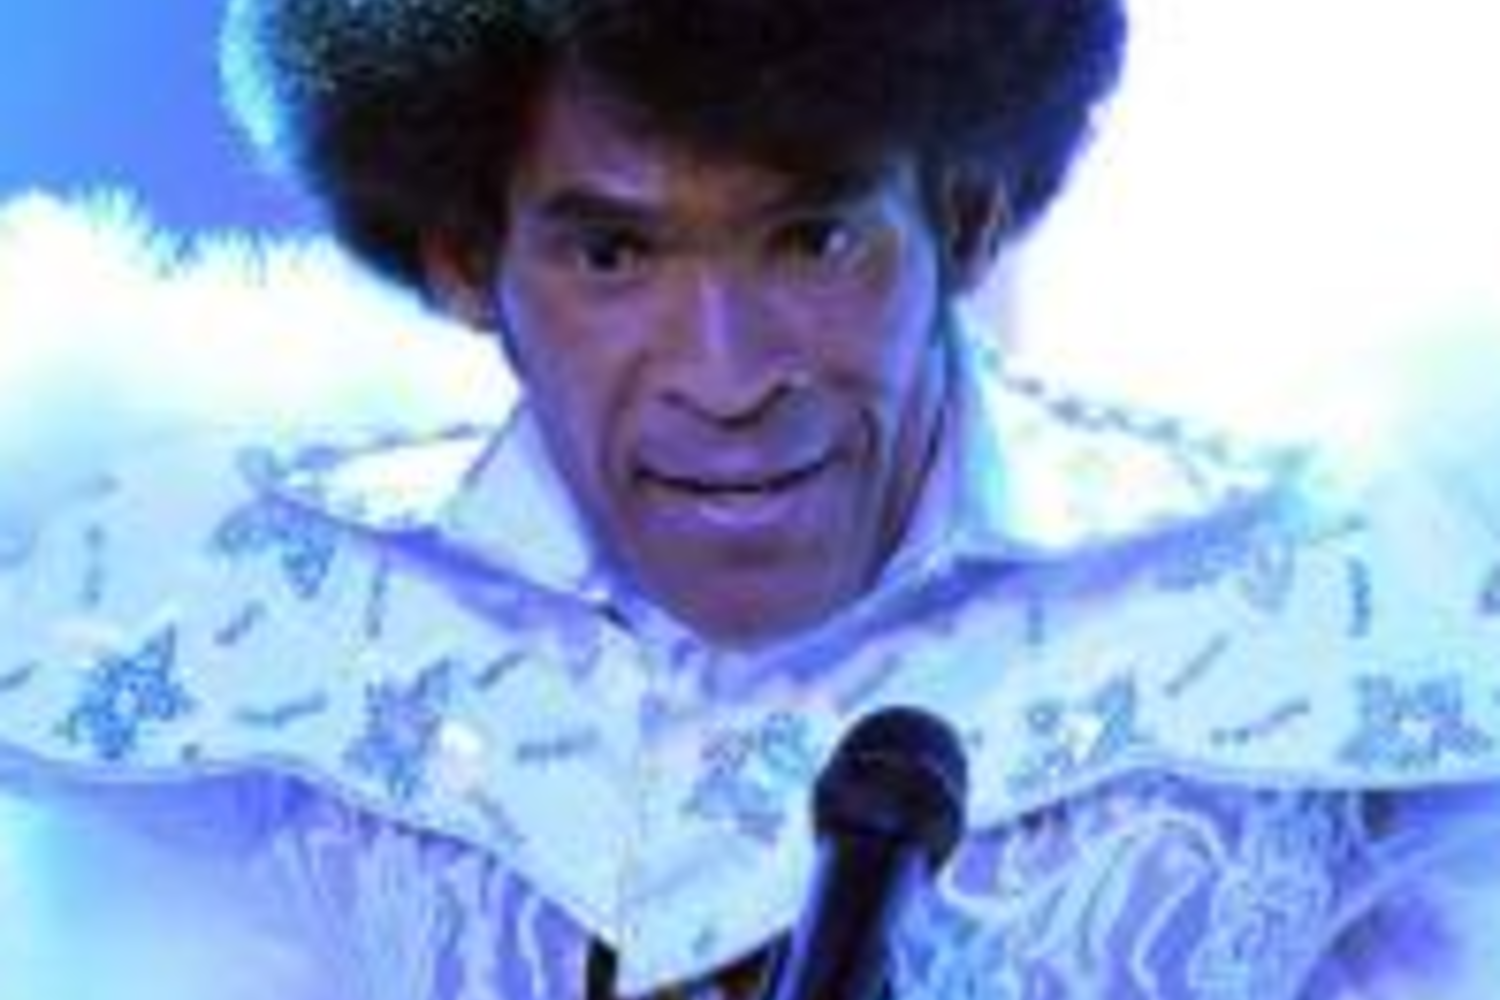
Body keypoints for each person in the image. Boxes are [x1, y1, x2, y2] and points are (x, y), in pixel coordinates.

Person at [2, 0, 1499, 997]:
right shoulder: (246, 609)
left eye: (813, 240)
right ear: (465, 261)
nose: (726, 377)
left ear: (966, 219)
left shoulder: (1325, 598)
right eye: (612, 257)